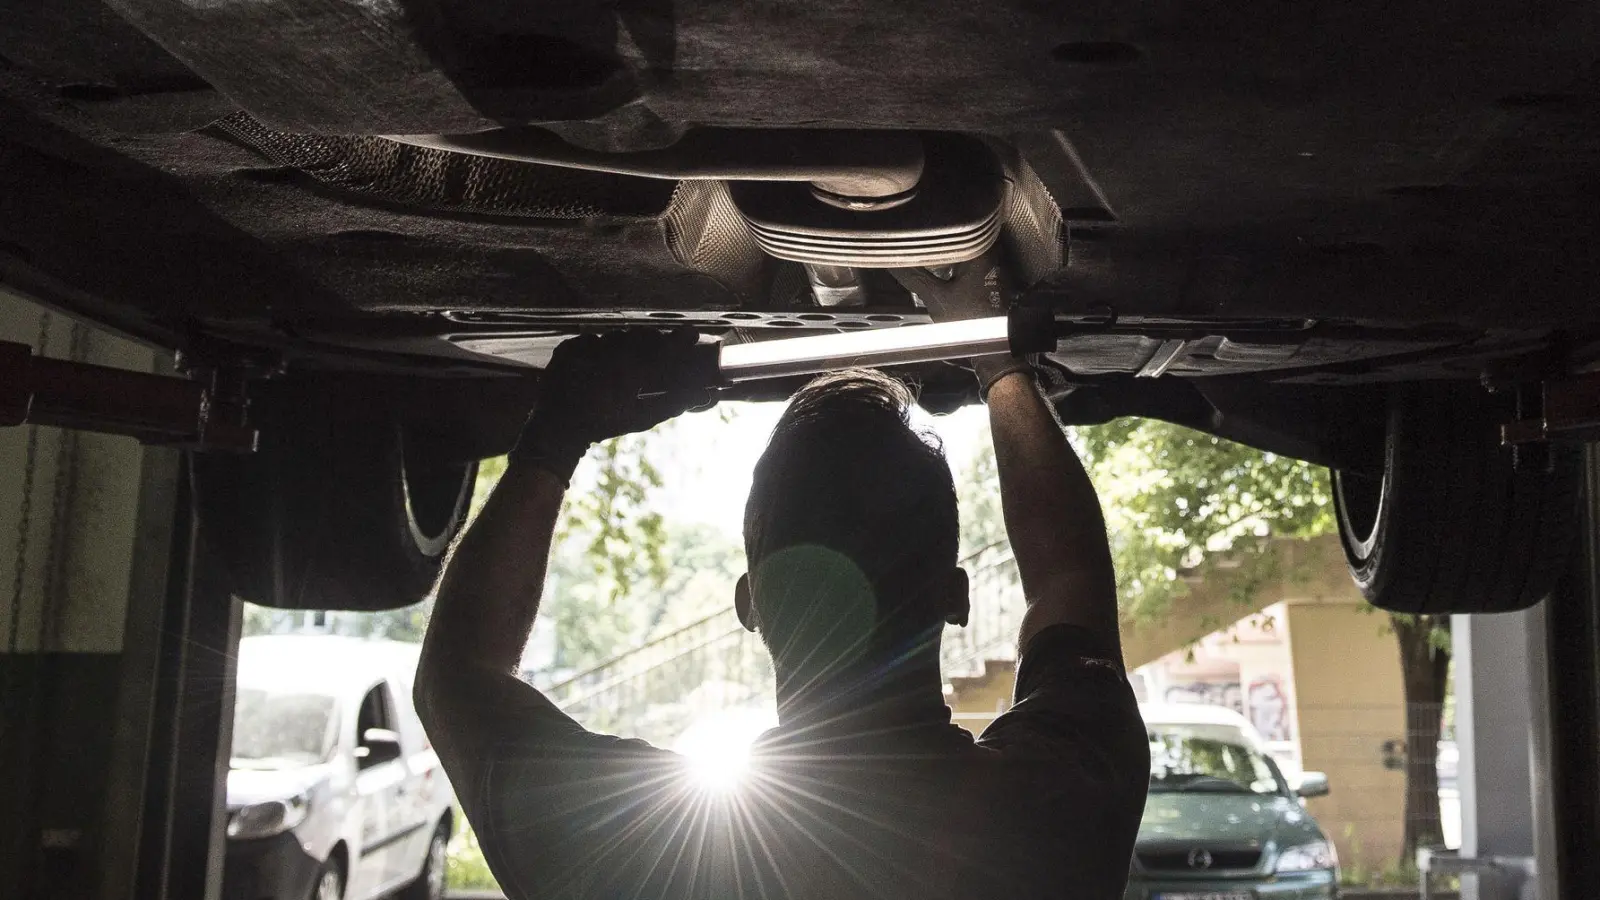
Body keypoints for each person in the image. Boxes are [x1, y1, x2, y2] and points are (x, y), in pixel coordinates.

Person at [415, 253, 1150, 900]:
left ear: (751, 604)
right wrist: (998, 359)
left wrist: (556, 436)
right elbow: (1069, 582)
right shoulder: (1056, 808)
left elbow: (456, 677)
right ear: (956, 598)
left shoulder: (656, 846)